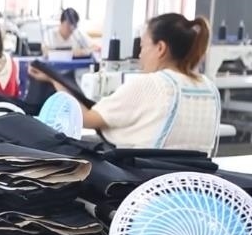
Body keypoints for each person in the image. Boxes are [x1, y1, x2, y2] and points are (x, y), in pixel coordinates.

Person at [28, 13, 220, 155]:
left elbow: (85, 118)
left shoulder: (151, 84)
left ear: (160, 48)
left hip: (144, 184)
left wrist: (53, 80)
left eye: (143, 46)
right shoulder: (209, 88)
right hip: (194, 185)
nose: (140, 55)